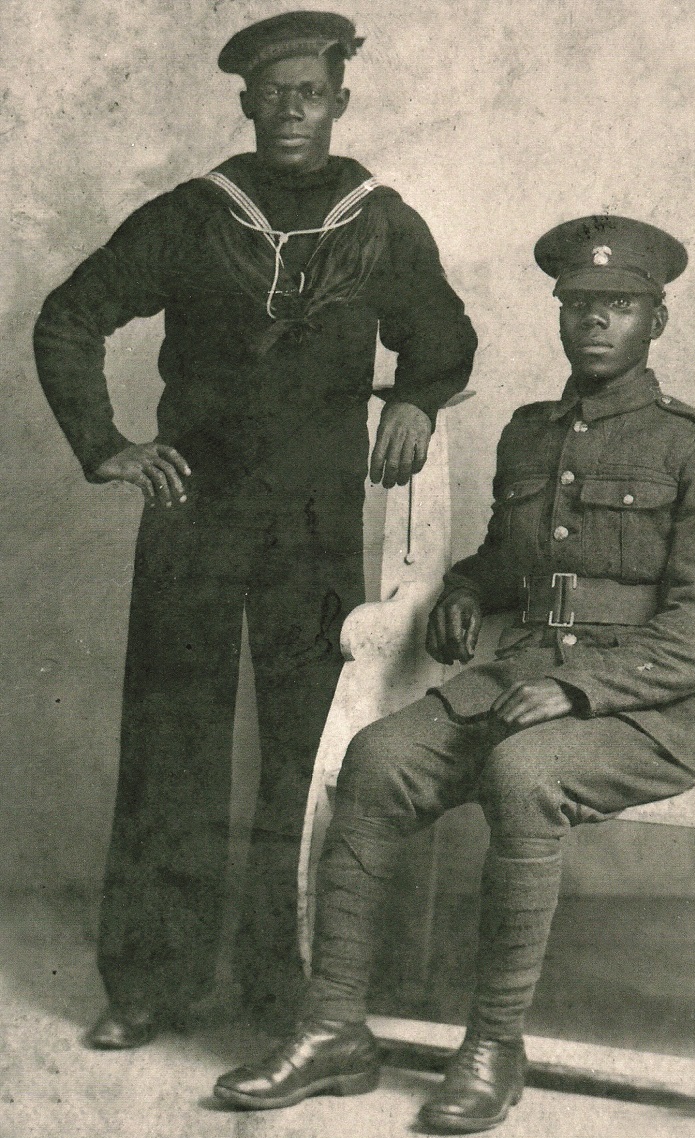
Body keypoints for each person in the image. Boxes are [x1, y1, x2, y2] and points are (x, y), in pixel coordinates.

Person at [213, 216, 695, 1133]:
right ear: (560, 315)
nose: (594, 321)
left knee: (523, 771)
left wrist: (579, 691)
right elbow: (510, 560)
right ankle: (333, 1027)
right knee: (379, 757)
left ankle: (494, 1046)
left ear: (655, 321)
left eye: (619, 306)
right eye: (578, 305)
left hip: (644, 715)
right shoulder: (530, 434)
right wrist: (465, 589)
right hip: (518, 683)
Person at [32, 11, 477, 1050]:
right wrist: (106, 447)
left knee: (304, 750)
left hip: (315, 524)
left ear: (339, 103)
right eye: (273, 94)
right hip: (194, 510)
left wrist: (415, 399)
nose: (291, 111)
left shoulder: (379, 220)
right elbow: (69, 317)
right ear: (245, 103)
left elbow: (445, 336)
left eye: (310, 93)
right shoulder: (194, 216)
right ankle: (152, 980)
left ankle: (285, 986)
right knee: (171, 739)